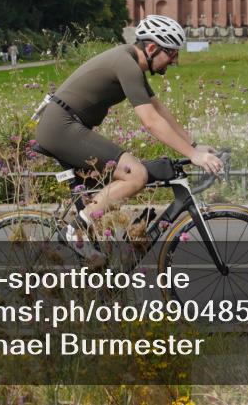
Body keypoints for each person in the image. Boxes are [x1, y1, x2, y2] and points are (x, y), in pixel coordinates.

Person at [35, 15, 223, 261]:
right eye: (172, 53)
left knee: (112, 191)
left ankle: (97, 274)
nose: (175, 60)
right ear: (153, 48)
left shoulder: (130, 61)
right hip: (61, 127)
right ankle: (75, 231)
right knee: (136, 174)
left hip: (67, 125)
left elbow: (159, 110)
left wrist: (194, 145)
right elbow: (151, 122)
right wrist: (193, 156)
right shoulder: (126, 63)